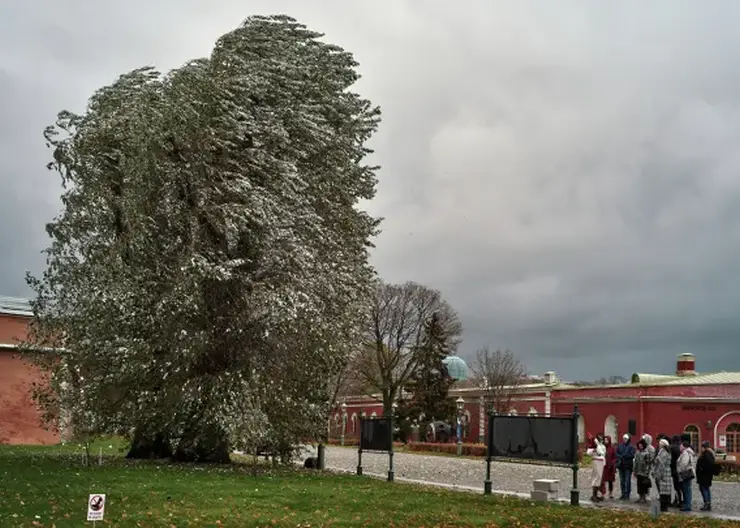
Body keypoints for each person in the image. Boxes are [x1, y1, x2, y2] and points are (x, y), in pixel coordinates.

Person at [652, 438, 673, 512]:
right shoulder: (664, 452)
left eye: (660, 444)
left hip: (664, 472)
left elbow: (661, 465)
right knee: (664, 490)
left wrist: (658, 475)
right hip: (665, 471)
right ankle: (664, 506)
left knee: (663, 491)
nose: (659, 445)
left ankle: (664, 507)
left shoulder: (663, 453)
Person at [677, 437, 696, 512]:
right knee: (687, 489)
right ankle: (687, 504)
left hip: (685, 473)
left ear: (684, 446)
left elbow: (684, 464)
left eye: (681, 446)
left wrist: (679, 470)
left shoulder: (685, 453)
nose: (680, 447)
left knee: (687, 490)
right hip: (686, 473)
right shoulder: (687, 453)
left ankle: (687, 505)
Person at [696, 440, 716, 511]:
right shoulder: (708, 453)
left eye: (702, 447)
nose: (701, 448)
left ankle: (707, 504)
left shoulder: (707, 454)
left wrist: (702, 468)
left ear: (705, 447)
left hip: (704, 475)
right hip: (705, 475)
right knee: (706, 488)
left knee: (704, 489)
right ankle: (708, 503)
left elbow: (709, 464)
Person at [587, 434, 606, 502]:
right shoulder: (592, 445)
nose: (601, 440)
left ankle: (596, 494)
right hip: (595, 461)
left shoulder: (602, 446)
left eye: (601, 439)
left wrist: (597, 447)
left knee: (599, 479)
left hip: (601, 462)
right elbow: (588, 453)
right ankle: (594, 495)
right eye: (599, 439)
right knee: (595, 478)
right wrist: (593, 449)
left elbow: (602, 453)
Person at [616, 433, 636, 500]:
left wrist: (623, 456)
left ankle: (627, 494)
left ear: (628, 439)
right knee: (622, 481)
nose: (624, 440)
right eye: (624, 438)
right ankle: (623, 494)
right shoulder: (620, 446)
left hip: (628, 466)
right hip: (621, 465)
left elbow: (632, 455)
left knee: (627, 481)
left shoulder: (632, 447)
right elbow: (617, 453)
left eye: (626, 439)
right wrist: (621, 456)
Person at [634, 438, 652, 503]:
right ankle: (640, 497)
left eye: (641, 445)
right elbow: (635, 462)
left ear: (644, 445)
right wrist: (634, 471)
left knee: (644, 485)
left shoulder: (646, 453)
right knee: (639, 485)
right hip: (638, 471)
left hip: (644, 472)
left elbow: (648, 463)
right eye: (639, 445)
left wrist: (647, 473)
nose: (640, 446)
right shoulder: (637, 452)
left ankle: (644, 498)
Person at [670, 435, 682, 507]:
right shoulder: (680, 447)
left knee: (676, 486)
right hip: (680, 469)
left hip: (674, 469)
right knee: (680, 486)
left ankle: (677, 500)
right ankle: (679, 500)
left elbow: (671, 460)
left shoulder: (672, 447)